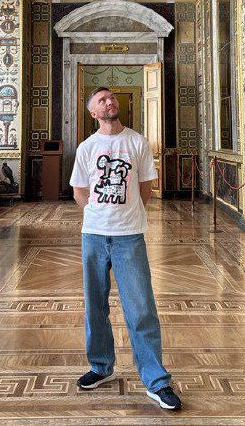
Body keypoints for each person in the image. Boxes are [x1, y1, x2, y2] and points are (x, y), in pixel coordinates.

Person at [70, 87, 181, 411]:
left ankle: (156, 381)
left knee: (141, 308)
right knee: (95, 306)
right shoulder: (87, 147)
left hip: (129, 237)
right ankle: (100, 366)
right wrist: (98, 214)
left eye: (111, 98)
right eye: (102, 100)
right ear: (93, 112)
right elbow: (79, 191)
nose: (110, 102)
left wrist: (129, 215)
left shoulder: (137, 142)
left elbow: (146, 187)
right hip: (93, 236)